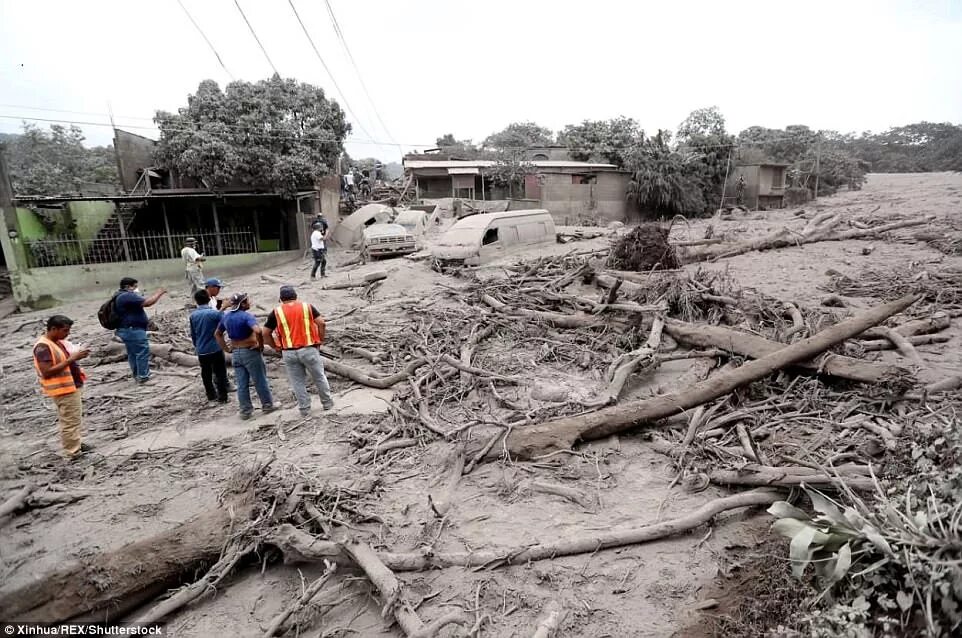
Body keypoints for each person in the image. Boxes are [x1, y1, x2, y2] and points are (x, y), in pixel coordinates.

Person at [262, 285, 334, 418]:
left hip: (289, 352)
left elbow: (265, 333)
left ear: (281, 299)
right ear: (296, 296)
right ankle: (327, 403)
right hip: (309, 348)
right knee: (319, 376)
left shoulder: (276, 312)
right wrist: (320, 340)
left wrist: (275, 347)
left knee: (297, 382)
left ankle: (305, 410)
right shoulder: (307, 307)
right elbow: (322, 323)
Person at [33, 315, 91, 459]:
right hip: (63, 389)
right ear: (53, 329)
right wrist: (72, 359)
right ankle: (73, 452)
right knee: (70, 421)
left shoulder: (56, 342)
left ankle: (76, 443)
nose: (67, 334)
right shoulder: (43, 347)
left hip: (70, 386)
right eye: (65, 331)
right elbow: (46, 372)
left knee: (74, 418)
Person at [216, 292, 277, 420]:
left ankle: (245, 411)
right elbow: (258, 331)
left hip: (236, 353)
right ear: (242, 304)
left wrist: (226, 349)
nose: (249, 302)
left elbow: (217, 334)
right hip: (249, 351)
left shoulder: (226, 317)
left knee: (242, 383)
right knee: (260, 379)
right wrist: (260, 345)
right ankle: (267, 405)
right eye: (247, 301)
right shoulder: (246, 316)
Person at [115, 277, 167, 383]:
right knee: (142, 352)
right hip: (133, 330)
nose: (136, 289)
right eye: (135, 286)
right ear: (127, 287)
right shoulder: (127, 295)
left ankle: (138, 375)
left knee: (133, 353)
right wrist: (159, 293)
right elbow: (147, 302)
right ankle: (144, 376)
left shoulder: (119, 295)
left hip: (127, 329)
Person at [190, 290, 228, 403]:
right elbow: (224, 322)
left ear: (196, 301)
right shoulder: (213, 313)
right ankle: (223, 397)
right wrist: (223, 308)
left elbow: (193, 334)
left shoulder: (193, 315)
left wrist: (197, 346)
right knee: (220, 372)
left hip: (202, 350)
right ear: (208, 299)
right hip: (215, 348)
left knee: (205, 373)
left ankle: (211, 395)